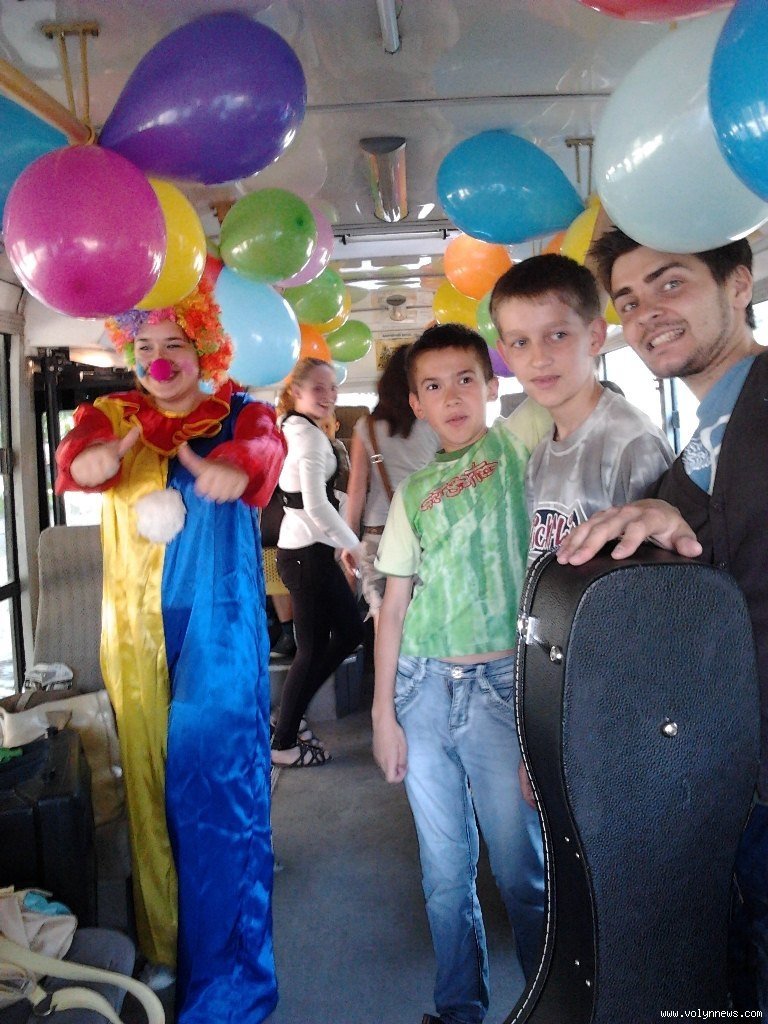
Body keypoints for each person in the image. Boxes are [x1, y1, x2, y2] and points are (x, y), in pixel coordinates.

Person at [55, 280, 285, 1023]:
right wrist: (94, 459)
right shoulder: (110, 415)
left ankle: (228, 977)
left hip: (218, 630)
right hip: (134, 638)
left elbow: (264, 450)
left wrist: (235, 467)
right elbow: (78, 457)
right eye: (145, 346)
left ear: (204, 347)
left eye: (174, 345)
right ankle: (164, 946)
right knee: (148, 793)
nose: (158, 361)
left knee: (218, 790)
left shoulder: (241, 412)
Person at [556, 228, 768, 1011]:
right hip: (737, 773)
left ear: (739, 283)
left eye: (671, 284)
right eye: (630, 301)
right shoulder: (693, 454)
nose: (647, 314)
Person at [373, 324, 545, 1024]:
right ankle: (459, 1009)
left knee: (521, 871)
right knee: (445, 877)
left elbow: (564, 382)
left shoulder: (516, 443)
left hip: (502, 687)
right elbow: (393, 609)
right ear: (416, 403)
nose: (452, 397)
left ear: (493, 387)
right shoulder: (413, 495)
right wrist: (383, 716)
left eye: (466, 379)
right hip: (420, 690)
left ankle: (547, 1003)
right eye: (434, 386)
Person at [489, 252, 673, 563]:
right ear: (506, 355)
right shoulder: (541, 455)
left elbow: (660, 576)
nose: (539, 359)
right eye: (521, 343)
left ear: (595, 337)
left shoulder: (632, 444)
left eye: (557, 335)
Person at [271, 358, 365, 767]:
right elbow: (315, 505)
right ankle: (284, 742)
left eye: (333, 388)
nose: (328, 396)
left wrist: (341, 540)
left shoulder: (293, 427)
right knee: (319, 647)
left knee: (339, 637)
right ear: (296, 392)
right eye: (318, 388)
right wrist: (352, 544)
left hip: (305, 553)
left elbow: (313, 501)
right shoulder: (307, 437)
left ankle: (288, 719)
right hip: (306, 556)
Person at [342, 345, 439, 629]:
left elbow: (356, 491)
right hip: (424, 533)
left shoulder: (366, 427)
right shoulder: (435, 423)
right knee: (424, 618)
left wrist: (349, 541)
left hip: (378, 535)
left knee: (384, 616)